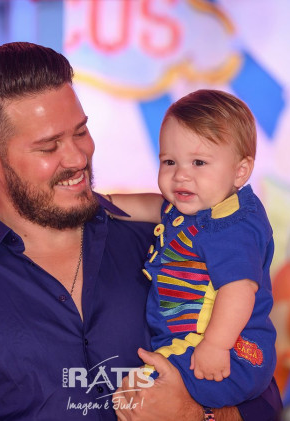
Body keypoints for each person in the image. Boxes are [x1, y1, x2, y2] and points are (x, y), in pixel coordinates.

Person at [0, 42, 282, 420]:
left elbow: (266, 407)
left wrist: (195, 416)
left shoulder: (171, 244)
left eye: (80, 132)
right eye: (48, 147)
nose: (78, 157)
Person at [107, 89, 276, 410]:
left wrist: (215, 345)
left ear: (240, 171)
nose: (181, 174)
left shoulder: (232, 226)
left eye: (199, 162)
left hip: (227, 353)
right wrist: (105, 203)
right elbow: (154, 206)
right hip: (195, 346)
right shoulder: (195, 206)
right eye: (169, 161)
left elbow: (239, 290)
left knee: (142, 394)